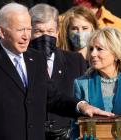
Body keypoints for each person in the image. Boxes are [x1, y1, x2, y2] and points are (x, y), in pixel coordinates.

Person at [0, 2, 114, 140]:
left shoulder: (35, 58)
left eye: (28, 29)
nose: (26, 36)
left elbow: (50, 95)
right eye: (20, 30)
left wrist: (81, 106)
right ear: (2, 32)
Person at [29, 3, 87, 140]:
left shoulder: (75, 60)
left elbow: (83, 96)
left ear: (57, 32)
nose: (45, 36)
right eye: (39, 31)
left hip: (67, 134)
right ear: (29, 31)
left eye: (50, 31)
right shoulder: (22, 62)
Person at [71, 27, 121, 140]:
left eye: (99, 49)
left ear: (116, 54)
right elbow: (75, 127)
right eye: (91, 49)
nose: (93, 54)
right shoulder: (82, 83)